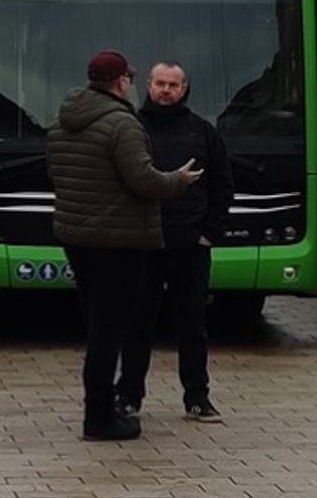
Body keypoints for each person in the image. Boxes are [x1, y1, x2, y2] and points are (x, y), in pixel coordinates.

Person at [47, 50, 202, 441]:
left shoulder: (61, 122)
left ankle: (99, 412)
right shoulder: (122, 124)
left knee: (97, 326)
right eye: (129, 78)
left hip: (77, 238)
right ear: (120, 82)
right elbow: (143, 180)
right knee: (108, 333)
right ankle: (100, 418)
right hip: (118, 242)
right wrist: (179, 180)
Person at [138, 62, 234, 424]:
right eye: (160, 83)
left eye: (172, 85)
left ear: (184, 89)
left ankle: (197, 397)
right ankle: (129, 395)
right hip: (144, 244)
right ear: (148, 85)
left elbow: (222, 185)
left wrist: (210, 233)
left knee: (193, 325)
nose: (165, 90)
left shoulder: (203, 132)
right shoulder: (132, 128)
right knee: (137, 325)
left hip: (190, 246)